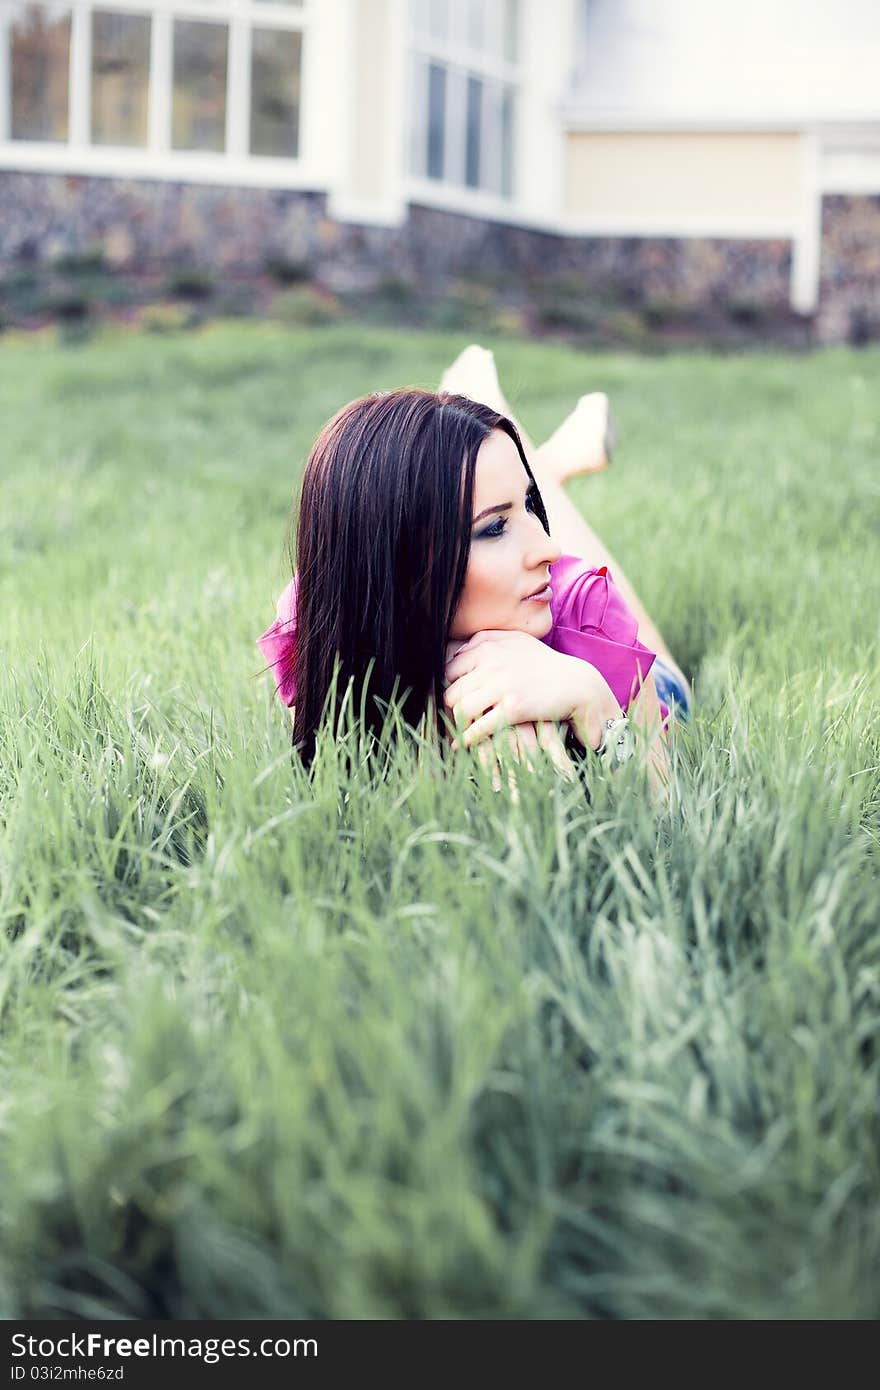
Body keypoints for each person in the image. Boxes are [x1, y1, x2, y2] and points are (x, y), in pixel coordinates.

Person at [257, 346, 690, 789]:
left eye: (530, 506)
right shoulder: (328, 624)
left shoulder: (587, 612)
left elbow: (665, 819)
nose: (549, 546)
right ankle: (546, 457)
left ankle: (512, 438)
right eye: (494, 528)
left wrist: (595, 701)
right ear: (397, 562)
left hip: (628, 673)